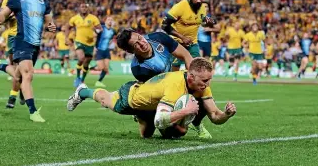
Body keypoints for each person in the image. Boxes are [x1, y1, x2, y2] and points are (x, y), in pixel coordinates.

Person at [67, 57, 236, 139]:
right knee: (105, 100)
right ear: (191, 77)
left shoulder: (202, 86)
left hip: (154, 105)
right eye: (205, 80)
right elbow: (160, 121)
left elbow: (214, 116)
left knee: (149, 136)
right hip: (133, 98)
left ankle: (142, 117)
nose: (208, 84)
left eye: (209, 79)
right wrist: (186, 111)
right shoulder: (175, 85)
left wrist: (226, 114)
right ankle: (83, 91)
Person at [0, 0, 56, 122]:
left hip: (35, 44)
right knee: (28, 74)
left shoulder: (43, 3)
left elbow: (49, 22)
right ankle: (33, 111)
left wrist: (51, 27)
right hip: (21, 41)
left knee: (19, 76)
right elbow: (3, 14)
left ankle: (0, 66)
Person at [161, 0, 215, 71]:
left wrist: (208, 23)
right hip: (176, 42)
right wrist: (182, 37)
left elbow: (200, 22)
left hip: (192, 43)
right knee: (174, 69)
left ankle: (190, 84)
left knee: (195, 68)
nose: (199, 1)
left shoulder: (202, 8)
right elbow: (164, 25)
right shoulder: (180, 7)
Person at [116, 28, 192, 83]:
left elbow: (186, 55)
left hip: (174, 77)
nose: (142, 43)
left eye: (140, 38)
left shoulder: (159, 38)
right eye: (136, 45)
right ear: (131, 51)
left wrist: (191, 79)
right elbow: (156, 90)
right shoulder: (139, 69)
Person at [65, 3, 102, 87]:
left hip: (90, 43)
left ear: (88, 8)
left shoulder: (93, 18)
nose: (84, 8)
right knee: (81, 58)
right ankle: (77, 78)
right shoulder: (74, 18)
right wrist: (66, 38)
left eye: (85, 7)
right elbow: (68, 27)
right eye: (82, 7)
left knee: (86, 63)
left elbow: (100, 28)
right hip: (79, 41)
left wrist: (96, 32)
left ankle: (82, 80)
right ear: (79, 8)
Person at [94, 17, 117, 87]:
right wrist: (94, 47)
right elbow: (95, 35)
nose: (110, 21)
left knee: (106, 68)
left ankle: (99, 81)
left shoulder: (113, 31)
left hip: (106, 50)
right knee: (101, 68)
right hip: (99, 50)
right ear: (105, 21)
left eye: (111, 20)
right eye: (108, 20)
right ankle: (91, 67)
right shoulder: (101, 28)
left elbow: (112, 38)